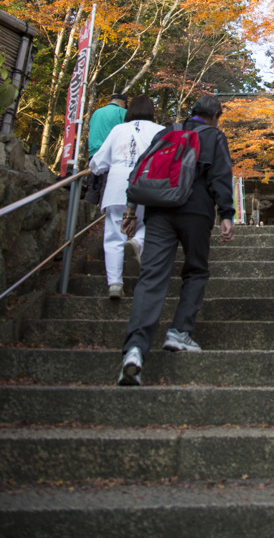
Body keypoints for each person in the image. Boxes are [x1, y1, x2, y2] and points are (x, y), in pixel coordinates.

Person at [117, 94, 235, 386]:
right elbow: (221, 175)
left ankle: (134, 349)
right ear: (215, 116)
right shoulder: (214, 137)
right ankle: (179, 332)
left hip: (159, 210)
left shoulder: (167, 131)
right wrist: (227, 214)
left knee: (152, 277)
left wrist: (131, 211)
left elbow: (142, 168)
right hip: (196, 212)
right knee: (195, 270)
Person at [89, 96, 164, 299]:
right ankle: (138, 243)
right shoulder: (159, 131)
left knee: (114, 235)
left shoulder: (118, 130)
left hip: (117, 188)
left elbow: (98, 164)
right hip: (148, 188)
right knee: (151, 224)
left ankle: (114, 283)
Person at [88, 94, 127, 158]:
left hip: (94, 152)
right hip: (112, 153)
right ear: (123, 103)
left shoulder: (97, 112)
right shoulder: (122, 112)